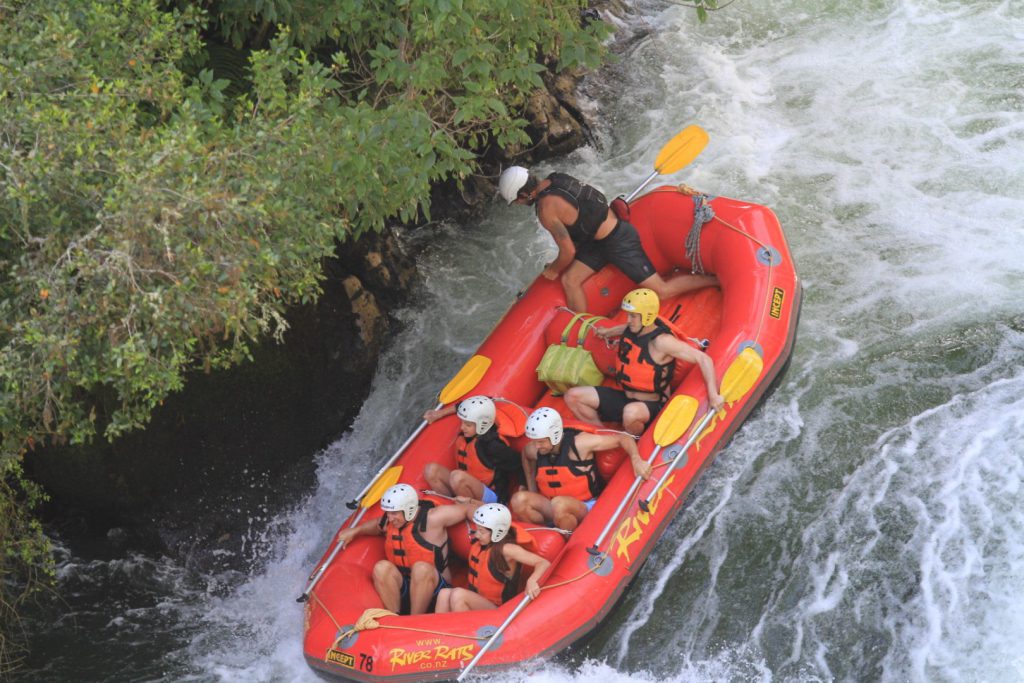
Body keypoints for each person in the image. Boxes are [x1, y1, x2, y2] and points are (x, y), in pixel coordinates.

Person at [498, 166, 717, 313]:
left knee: (661, 290)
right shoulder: (556, 177)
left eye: (516, 201)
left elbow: (568, 253)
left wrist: (554, 269)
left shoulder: (546, 209)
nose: (518, 204)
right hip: (595, 241)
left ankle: (716, 281)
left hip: (618, 240)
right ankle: (584, 330)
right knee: (570, 280)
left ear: (523, 194)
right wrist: (560, 266)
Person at [565, 288, 725, 436]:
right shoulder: (634, 327)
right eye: (628, 315)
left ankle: (636, 438)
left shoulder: (662, 342)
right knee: (573, 396)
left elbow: (703, 359)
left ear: (647, 316)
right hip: (625, 397)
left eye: (633, 316)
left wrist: (713, 395)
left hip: (652, 404)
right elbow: (625, 328)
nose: (628, 320)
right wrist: (608, 331)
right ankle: (606, 436)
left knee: (631, 413)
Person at [335, 484, 473, 615]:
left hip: (437, 591)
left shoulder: (434, 518)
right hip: (406, 587)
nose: (390, 518)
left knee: (420, 569)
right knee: (381, 567)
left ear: (409, 509)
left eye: (394, 513)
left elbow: (466, 509)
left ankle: (414, 620)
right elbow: (377, 525)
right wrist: (356, 531)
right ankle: (394, 617)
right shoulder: (391, 521)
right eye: (388, 513)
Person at [510, 407, 651, 531]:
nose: (537, 446)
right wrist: (532, 489)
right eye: (535, 441)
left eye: (541, 441)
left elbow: (623, 438)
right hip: (552, 505)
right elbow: (526, 456)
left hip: (585, 505)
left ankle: (567, 540)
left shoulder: (580, 444)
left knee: (559, 504)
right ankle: (547, 535)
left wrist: (636, 459)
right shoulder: (534, 449)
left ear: (555, 435)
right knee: (518, 500)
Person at [434, 503, 550, 612]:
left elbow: (543, 563)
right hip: (479, 600)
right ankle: (436, 632)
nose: (477, 535)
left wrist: (532, 580)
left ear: (497, 532)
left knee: (458, 595)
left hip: (499, 609)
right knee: (444, 593)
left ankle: (466, 632)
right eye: (477, 529)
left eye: (481, 531)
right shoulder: (481, 544)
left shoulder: (507, 549)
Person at [422, 396, 524, 505]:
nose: (462, 427)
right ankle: (450, 507)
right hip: (465, 485)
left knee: (457, 477)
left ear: (482, 424)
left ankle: (465, 510)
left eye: (468, 425)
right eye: (462, 422)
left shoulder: (493, 446)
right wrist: (439, 414)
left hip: (492, 497)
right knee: (431, 470)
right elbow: (465, 406)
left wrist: (523, 485)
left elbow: (519, 463)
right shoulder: (470, 433)